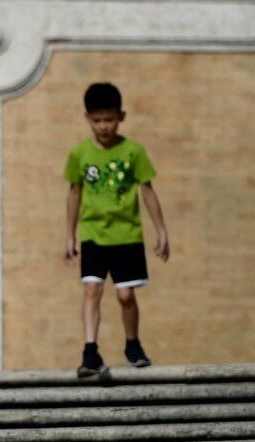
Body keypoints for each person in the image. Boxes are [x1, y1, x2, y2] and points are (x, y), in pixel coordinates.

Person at [63, 82, 170, 378]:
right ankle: (90, 350)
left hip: (127, 235)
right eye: (97, 120)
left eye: (109, 119)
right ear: (88, 119)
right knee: (91, 290)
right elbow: (73, 194)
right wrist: (70, 235)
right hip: (93, 234)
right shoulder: (80, 153)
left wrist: (161, 232)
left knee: (125, 295)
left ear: (121, 117)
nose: (103, 126)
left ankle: (133, 344)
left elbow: (147, 191)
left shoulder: (133, 152)